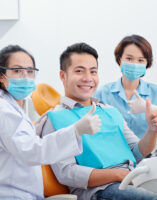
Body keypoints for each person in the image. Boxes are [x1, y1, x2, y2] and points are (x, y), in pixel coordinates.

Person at [41, 42, 157, 200]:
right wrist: (117, 175)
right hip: (100, 190)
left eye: (93, 71)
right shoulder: (54, 119)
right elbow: (66, 173)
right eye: (79, 71)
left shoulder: (109, 111)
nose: (88, 78)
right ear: (63, 75)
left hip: (132, 178)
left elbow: (136, 152)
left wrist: (152, 130)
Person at [0, 45, 101, 199]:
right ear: (2, 76)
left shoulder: (14, 107)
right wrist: (75, 131)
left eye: (29, 71)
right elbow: (31, 151)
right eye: (17, 70)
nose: (25, 77)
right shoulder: (4, 110)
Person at [94, 34, 157, 138]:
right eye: (129, 58)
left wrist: (154, 109)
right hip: (113, 152)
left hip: (150, 153)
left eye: (140, 60)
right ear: (119, 60)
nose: (134, 64)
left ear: (147, 64)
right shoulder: (103, 93)